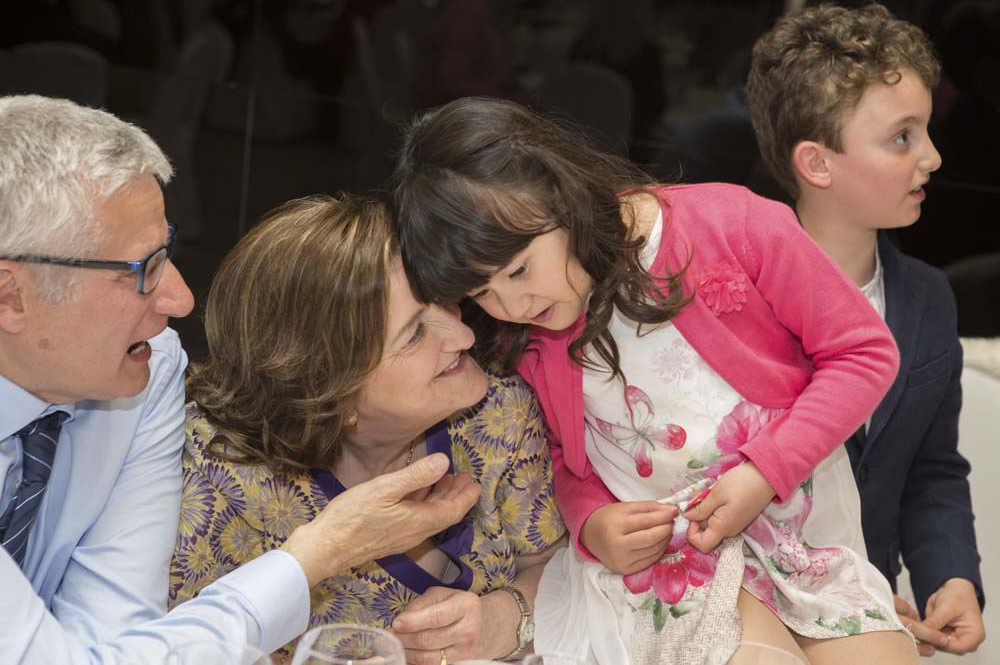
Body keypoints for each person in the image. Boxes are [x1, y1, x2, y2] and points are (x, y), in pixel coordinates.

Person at [391, 96, 918, 664]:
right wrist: (592, 523)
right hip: (672, 564)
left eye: (519, 270)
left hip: (799, 536)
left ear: (561, 196)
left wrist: (766, 471)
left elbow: (863, 353)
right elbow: (567, 457)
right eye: (481, 293)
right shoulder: (528, 336)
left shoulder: (730, 224)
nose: (512, 305)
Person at [0, 94, 479, 663]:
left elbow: (117, 639)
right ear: (10, 298)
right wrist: (320, 551)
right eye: (142, 270)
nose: (181, 299)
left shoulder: (148, 374)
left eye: (166, 252)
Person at [170, 194, 565, 664]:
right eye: (414, 333)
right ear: (329, 391)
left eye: (444, 300)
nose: (465, 335)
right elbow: (178, 647)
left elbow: (556, 565)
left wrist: (505, 617)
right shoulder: (220, 476)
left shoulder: (496, 417)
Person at [745, 2, 985, 657]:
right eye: (902, 137)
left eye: (927, 130)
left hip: (881, 608)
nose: (933, 156)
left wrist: (951, 577)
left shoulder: (929, 298)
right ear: (817, 164)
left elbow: (931, 469)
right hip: (755, 611)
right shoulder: (741, 301)